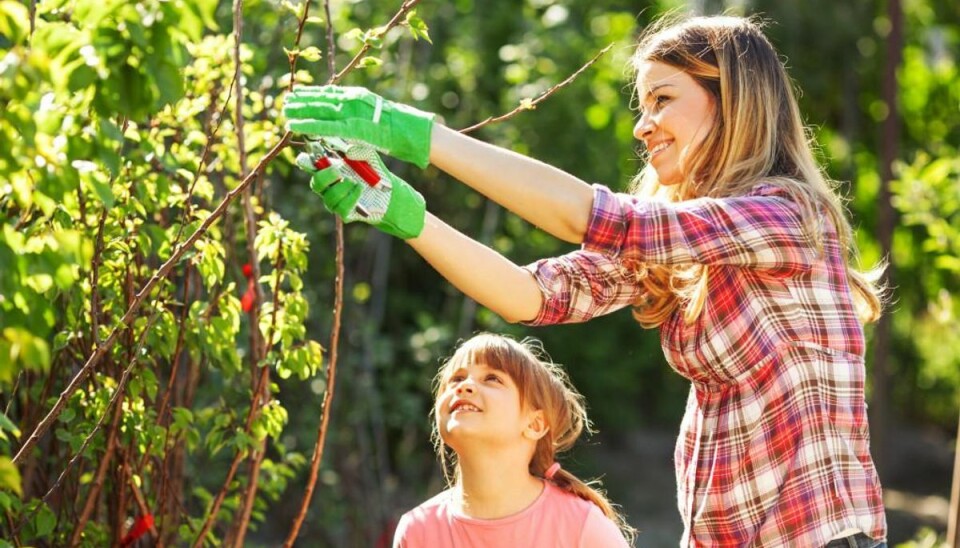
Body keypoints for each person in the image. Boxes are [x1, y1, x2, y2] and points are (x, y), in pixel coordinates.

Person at [283, 14, 888, 548]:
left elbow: (593, 217)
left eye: (663, 99)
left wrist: (423, 137)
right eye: (641, 106)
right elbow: (532, 295)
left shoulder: (788, 214)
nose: (642, 125)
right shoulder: (679, 247)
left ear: (731, 100)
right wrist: (405, 214)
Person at [392, 332, 633, 547]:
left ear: (535, 424)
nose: (464, 386)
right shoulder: (417, 531)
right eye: (456, 379)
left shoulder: (582, 526)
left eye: (492, 379)